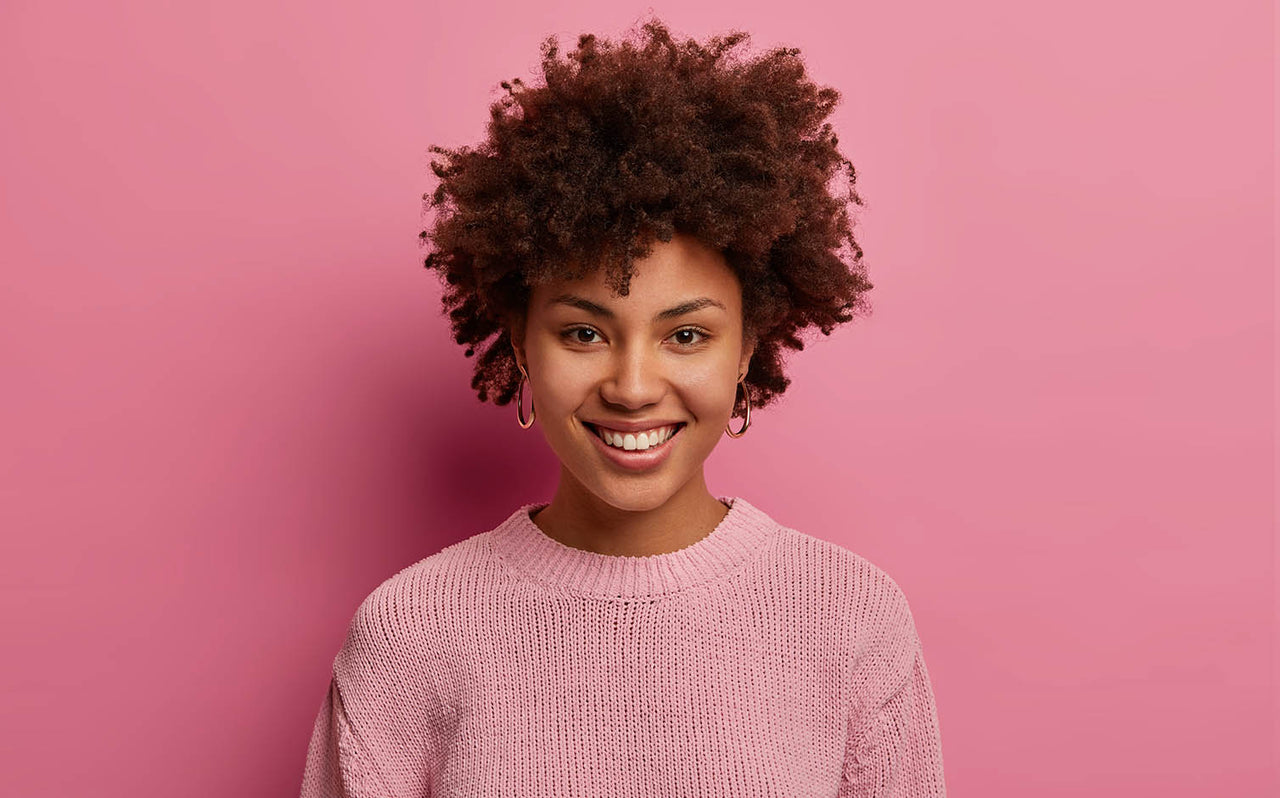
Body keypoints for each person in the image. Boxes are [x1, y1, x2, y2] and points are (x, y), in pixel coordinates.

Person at [300, 17, 946, 798]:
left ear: (745, 349)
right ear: (521, 343)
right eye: (583, 331)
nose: (634, 386)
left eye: (685, 334)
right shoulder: (411, 635)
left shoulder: (849, 620)